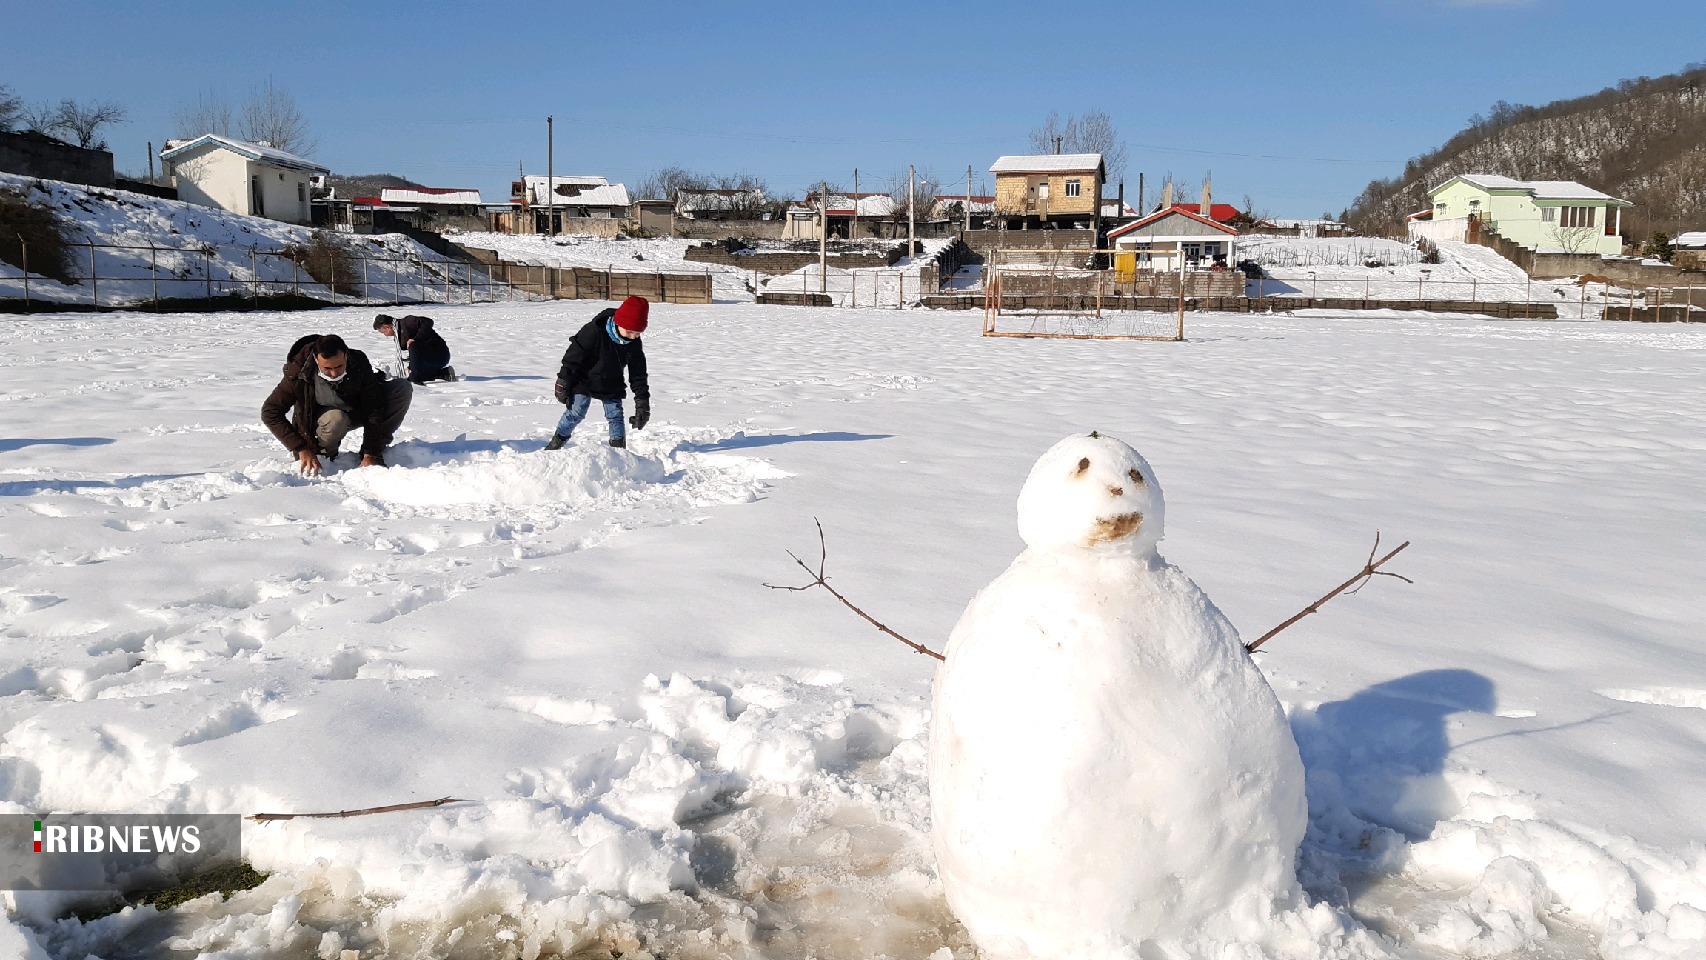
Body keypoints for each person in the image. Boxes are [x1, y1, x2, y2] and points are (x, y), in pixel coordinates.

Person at [262, 333, 413, 475]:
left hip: (354, 411)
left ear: (346, 356)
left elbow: (373, 405)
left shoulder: (358, 362)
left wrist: (372, 451)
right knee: (336, 419)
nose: (334, 373)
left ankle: (374, 450)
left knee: (401, 388)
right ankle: (324, 455)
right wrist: (301, 448)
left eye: (339, 367)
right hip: (323, 422)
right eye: (327, 368)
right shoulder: (298, 373)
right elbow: (270, 411)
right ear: (315, 359)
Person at [544, 296, 651, 450]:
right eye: (630, 332)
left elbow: (638, 373)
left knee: (615, 415)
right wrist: (563, 380)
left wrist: (642, 402)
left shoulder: (633, 343)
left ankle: (618, 453)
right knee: (576, 411)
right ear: (619, 323)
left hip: (611, 381)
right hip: (585, 378)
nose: (633, 337)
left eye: (638, 334)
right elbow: (573, 357)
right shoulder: (593, 331)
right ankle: (556, 443)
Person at [374, 313, 455, 384]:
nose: (386, 335)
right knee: (417, 368)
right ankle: (444, 373)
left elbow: (428, 322)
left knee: (413, 344)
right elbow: (415, 353)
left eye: (384, 332)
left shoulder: (406, 322)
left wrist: (416, 338)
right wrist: (411, 367)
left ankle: (414, 378)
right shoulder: (398, 336)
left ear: (388, 327)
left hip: (439, 353)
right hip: (428, 358)